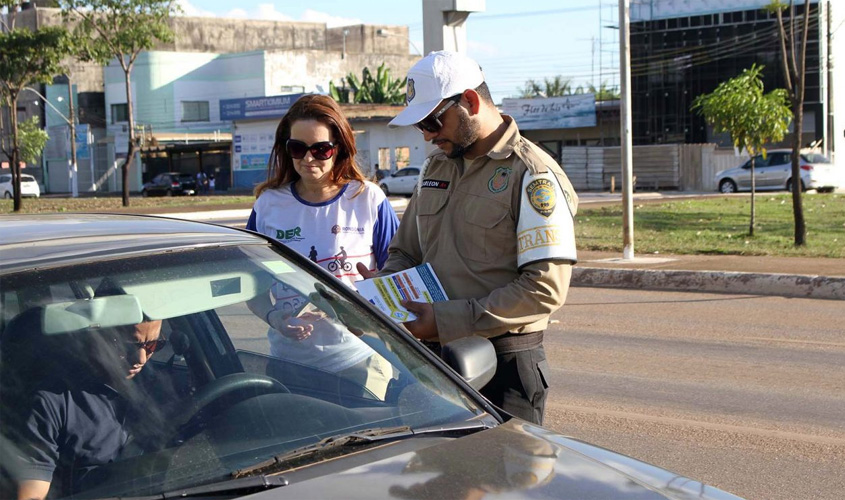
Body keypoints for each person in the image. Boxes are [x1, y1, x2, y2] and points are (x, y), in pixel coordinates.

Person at [358, 51, 578, 425]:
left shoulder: (532, 174)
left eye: (432, 121)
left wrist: (447, 320)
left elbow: (544, 289)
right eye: (420, 126)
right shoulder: (437, 166)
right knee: (434, 477)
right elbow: (406, 249)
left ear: (471, 102)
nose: (427, 135)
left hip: (502, 366)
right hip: (432, 359)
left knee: (502, 480)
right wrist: (386, 288)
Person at [245, 94, 399, 395]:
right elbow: (251, 283)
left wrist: (359, 317)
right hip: (289, 366)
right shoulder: (268, 205)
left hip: (359, 361)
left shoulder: (367, 198)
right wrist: (275, 318)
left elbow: (397, 276)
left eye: (321, 149)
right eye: (297, 148)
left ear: (338, 147)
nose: (308, 158)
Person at [15, 320, 165, 500]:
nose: (141, 358)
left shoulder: (160, 385)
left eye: (152, 345)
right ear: (98, 336)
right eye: (129, 345)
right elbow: (32, 495)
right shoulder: (52, 401)